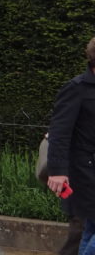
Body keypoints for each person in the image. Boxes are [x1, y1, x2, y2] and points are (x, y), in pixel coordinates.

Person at [47, 35, 95, 255]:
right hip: (85, 173)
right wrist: (57, 171)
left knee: (87, 231)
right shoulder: (77, 89)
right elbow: (59, 132)